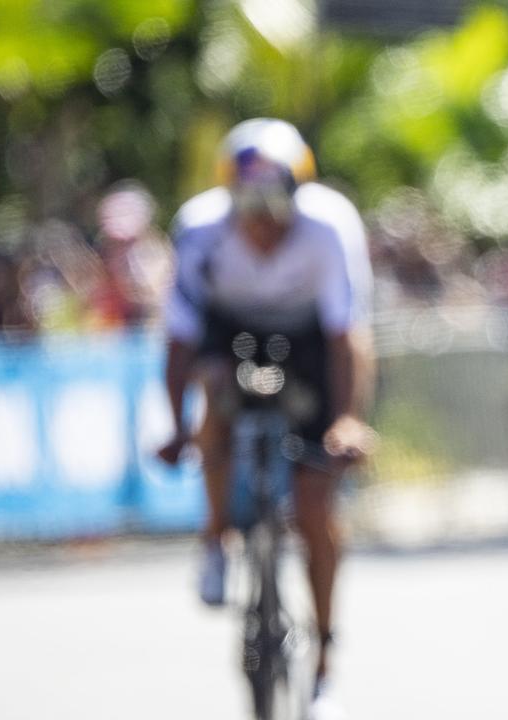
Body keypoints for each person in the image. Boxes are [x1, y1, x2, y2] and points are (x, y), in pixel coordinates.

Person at [156, 118, 377, 711]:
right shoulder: (199, 230)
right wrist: (177, 427)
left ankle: (324, 653)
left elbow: (346, 337)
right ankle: (213, 540)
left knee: (314, 503)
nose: (262, 228)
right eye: (248, 211)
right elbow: (179, 342)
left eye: (274, 212)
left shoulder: (329, 228)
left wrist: (347, 419)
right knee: (216, 401)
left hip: (309, 340)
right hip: (230, 332)